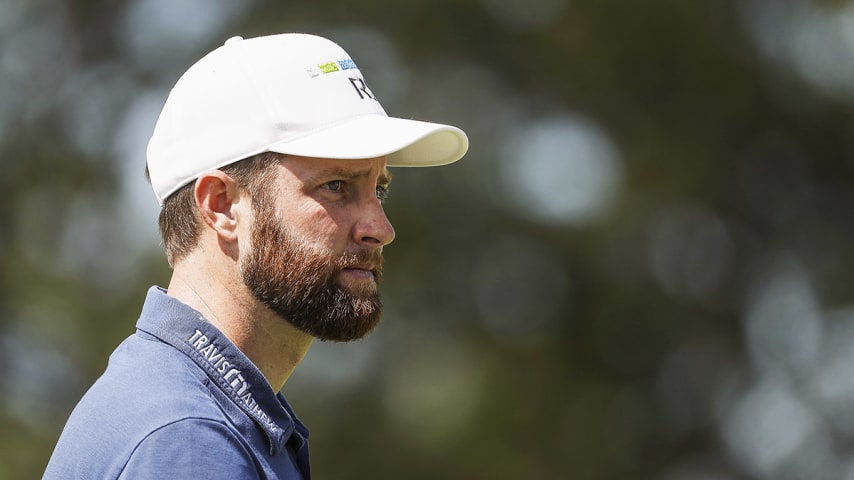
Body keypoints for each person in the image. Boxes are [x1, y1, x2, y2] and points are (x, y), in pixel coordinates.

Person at [43, 33, 468, 479]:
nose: (380, 229)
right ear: (221, 205)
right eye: (336, 186)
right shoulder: (189, 440)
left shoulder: (195, 410)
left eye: (378, 189)